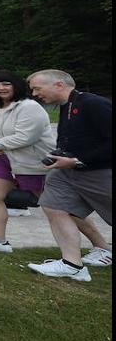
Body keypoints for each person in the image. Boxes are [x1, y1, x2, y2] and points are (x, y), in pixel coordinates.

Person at [26, 69, 113, 282]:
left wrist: (77, 160)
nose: (35, 94)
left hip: (99, 172)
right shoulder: (66, 106)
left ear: (58, 85)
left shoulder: (93, 103)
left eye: (37, 88)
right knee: (54, 206)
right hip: (67, 172)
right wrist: (59, 156)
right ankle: (72, 264)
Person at [0, 72, 53, 253]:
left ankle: (100, 245)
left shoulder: (29, 107)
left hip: (30, 161)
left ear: (16, 85)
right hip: (1, 158)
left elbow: (25, 137)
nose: (0, 88)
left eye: (6, 84)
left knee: (54, 205)